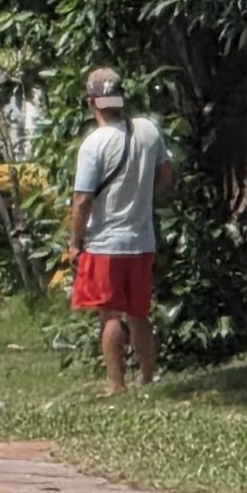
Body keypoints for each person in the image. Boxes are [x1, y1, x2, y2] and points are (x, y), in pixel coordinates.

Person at [68, 66, 176, 396]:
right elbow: (166, 175)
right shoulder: (148, 132)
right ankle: (148, 379)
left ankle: (115, 385)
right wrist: (141, 198)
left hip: (105, 244)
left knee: (110, 314)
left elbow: (83, 199)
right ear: (120, 98)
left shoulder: (94, 144)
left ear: (92, 103)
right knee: (139, 313)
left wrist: (75, 242)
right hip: (142, 240)